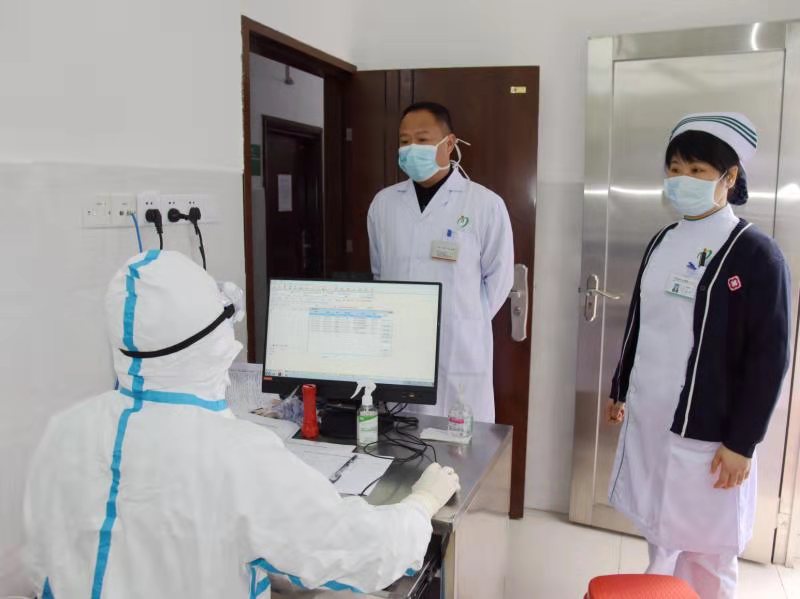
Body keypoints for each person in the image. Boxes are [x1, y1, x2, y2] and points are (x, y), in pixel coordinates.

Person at [23, 250, 460, 599]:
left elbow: (45, 561)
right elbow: (360, 550)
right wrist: (420, 504)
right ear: (215, 340)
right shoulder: (236, 455)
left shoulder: (66, 431)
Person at [607, 113, 791, 599]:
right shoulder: (663, 241)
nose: (681, 180)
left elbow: (769, 359)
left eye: (697, 170)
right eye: (674, 169)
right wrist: (620, 388)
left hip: (711, 434)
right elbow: (640, 320)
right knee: (662, 533)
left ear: (729, 178)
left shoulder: (756, 254)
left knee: (708, 551)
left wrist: (742, 443)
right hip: (653, 418)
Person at [367, 101, 514, 422]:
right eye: (404, 141)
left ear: (449, 143)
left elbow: (500, 279)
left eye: (422, 140)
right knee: (400, 438)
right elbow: (379, 273)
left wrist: (463, 320)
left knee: (458, 442)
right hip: (399, 345)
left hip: (458, 349)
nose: (411, 149)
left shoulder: (484, 204)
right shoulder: (384, 204)